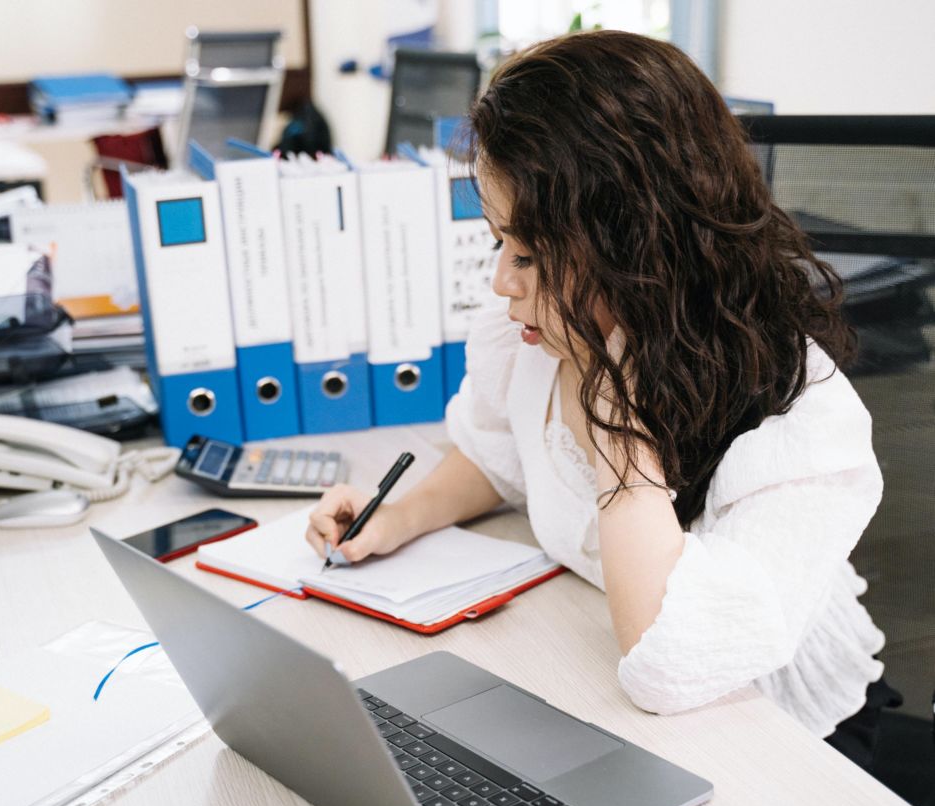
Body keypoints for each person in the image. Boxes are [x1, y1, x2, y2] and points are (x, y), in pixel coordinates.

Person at [305, 31, 897, 767]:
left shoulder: (799, 420)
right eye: (498, 243)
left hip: (788, 736)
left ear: (633, 250)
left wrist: (617, 417)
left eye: (526, 254)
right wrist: (397, 517)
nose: (500, 281)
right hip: (628, 709)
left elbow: (669, 662)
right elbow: (501, 458)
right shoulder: (539, 340)